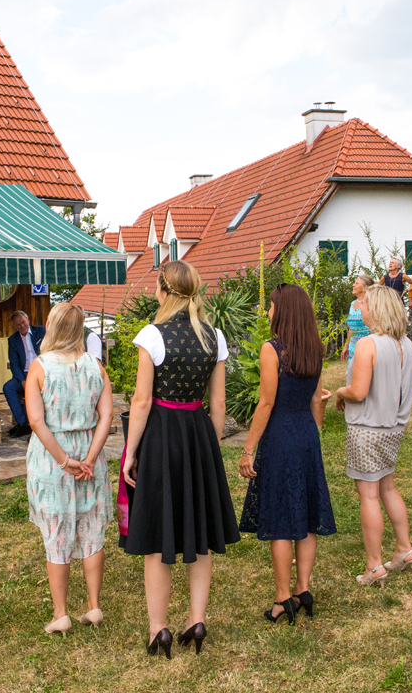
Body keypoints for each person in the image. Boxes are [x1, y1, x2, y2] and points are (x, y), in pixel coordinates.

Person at [121, 260, 240, 659]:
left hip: (160, 434)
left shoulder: (152, 335)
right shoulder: (214, 336)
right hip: (197, 431)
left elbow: (140, 402)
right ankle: (196, 619)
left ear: (163, 291)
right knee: (199, 530)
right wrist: (210, 444)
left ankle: (159, 629)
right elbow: (218, 402)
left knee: (159, 533)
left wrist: (130, 452)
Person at [238, 284, 336, 625]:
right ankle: (303, 588)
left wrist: (248, 448)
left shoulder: (272, 349)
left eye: (272, 306)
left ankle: (282, 598)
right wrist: (316, 432)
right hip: (307, 434)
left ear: (283, 311)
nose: (268, 311)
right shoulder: (316, 348)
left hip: (280, 436)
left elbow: (266, 402)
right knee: (307, 514)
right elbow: (316, 399)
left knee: (281, 519)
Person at [23, 303, 114, 635]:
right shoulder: (95, 365)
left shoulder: (40, 366)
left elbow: (35, 420)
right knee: (92, 530)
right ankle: (93, 606)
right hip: (89, 452)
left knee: (57, 534)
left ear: (52, 326)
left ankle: (61, 612)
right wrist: (90, 456)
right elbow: (107, 415)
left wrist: (64, 460)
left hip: (52, 457)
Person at [334, 286, 412, 587]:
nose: (360, 306)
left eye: (364, 303)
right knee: (388, 487)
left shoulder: (369, 344)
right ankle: (404, 547)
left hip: (368, 427)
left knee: (368, 495)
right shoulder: (406, 344)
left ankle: (373, 565)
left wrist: (340, 393)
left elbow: (358, 391)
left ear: (377, 309)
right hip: (394, 426)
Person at [4, 310, 45, 438]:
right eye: (18, 324)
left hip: (40, 371)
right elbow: (14, 364)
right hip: (24, 373)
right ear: (15, 327)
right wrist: (22, 381)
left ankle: (26, 424)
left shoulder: (42, 331)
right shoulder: (13, 340)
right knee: (8, 387)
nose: (21, 326)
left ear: (28, 320)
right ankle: (22, 423)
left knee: (31, 390)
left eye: (23, 322)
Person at [341, 274, 373, 376]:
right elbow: (351, 328)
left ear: (364, 288)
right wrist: (346, 345)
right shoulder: (352, 304)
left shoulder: (371, 304)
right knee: (352, 375)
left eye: (356, 283)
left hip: (366, 344)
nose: (353, 285)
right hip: (353, 345)